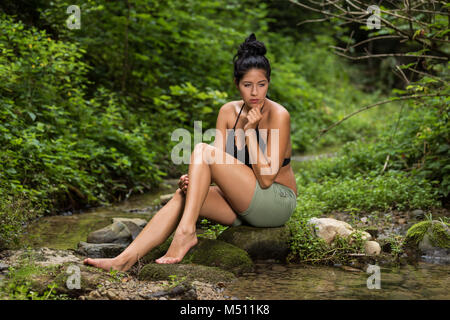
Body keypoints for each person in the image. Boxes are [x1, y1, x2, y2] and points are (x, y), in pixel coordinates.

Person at [83, 33, 297, 271]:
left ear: (269, 83)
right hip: (243, 203)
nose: (255, 93)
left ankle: (185, 232)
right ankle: (122, 261)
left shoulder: (279, 115)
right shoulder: (228, 112)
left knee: (202, 150)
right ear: (236, 85)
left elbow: (266, 179)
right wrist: (196, 182)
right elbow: (219, 166)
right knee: (182, 194)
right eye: (248, 85)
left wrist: (249, 132)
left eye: (262, 84)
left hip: (276, 202)